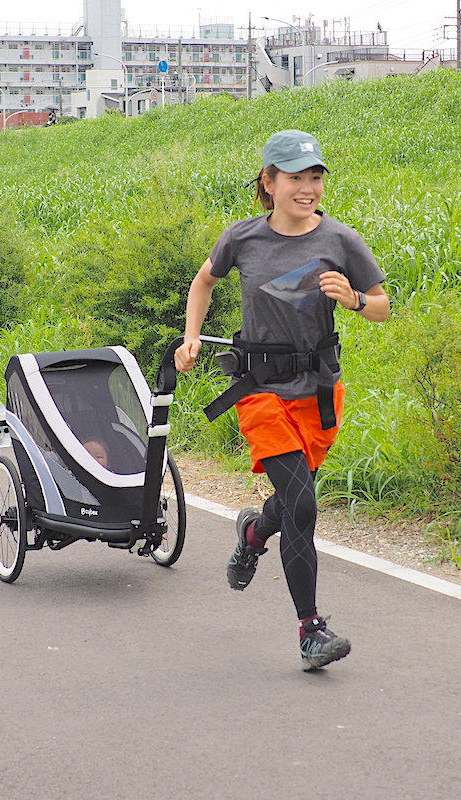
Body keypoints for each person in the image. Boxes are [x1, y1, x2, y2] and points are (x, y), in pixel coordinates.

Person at [175, 129, 389, 670]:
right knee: (302, 505)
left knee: (291, 505)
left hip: (318, 393)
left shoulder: (341, 240)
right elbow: (203, 282)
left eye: (314, 177)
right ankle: (311, 630)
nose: (307, 188)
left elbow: (383, 307)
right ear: (268, 182)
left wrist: (357, 298)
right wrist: (191, 335)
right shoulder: (242, 238)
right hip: (260, 391)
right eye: (295, 178)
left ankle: (253, 531)